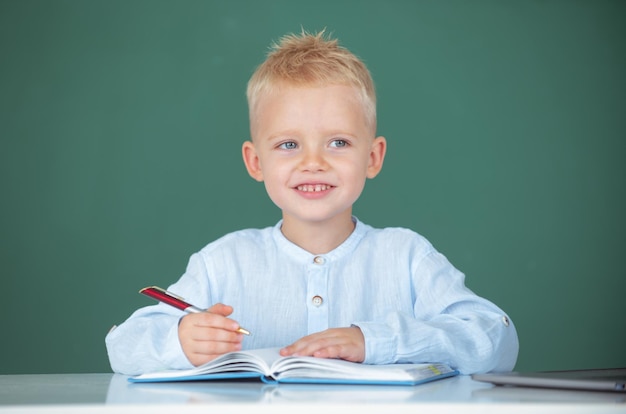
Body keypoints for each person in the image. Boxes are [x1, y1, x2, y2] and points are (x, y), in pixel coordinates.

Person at [105, 30, 519, 376]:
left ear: (372, 157)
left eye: (338, 142)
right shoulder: (223, 262)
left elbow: (496, 338)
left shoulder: (406, 256)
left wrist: (373, 340)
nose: (313, 163)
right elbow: (123, 347)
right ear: (255, 162)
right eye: (288, 144)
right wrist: (180, 340)